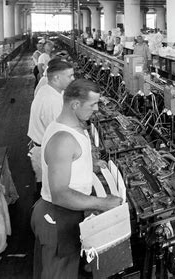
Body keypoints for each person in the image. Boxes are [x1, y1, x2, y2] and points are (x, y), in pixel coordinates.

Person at [31, 79, 122, 279]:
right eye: (92, 105)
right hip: (57, 217)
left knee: (69, 268)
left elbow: (70, 163)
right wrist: (103, 203)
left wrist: (90, 165)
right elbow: (60, 194)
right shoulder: (63, 140)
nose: (97, 109)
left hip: (69, 214)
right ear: (75, 105)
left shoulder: (71, 127)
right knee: (59, 274)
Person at [28, 60, 75, 193]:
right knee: (50, 192)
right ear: (56, 78)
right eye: (70, 76)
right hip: (47, 152)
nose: (73, 79)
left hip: (42, 147)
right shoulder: (51, 101)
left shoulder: (48, 90)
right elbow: (60, 136)